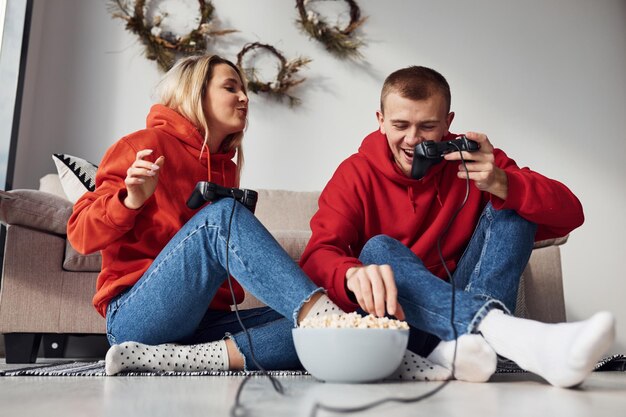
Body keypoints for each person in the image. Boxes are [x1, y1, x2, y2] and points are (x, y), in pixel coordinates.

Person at [299, 65, 616, 387]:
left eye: (427, 127)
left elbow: (571, 215)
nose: (412, 139)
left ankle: (465, 347)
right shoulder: (354, 174)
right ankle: (505, 335)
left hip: (467, 303)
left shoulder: (472, 162)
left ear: (448, 124)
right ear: (380, 121)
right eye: (400, 125)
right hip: (399, 317)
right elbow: (317, 255)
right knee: (377, 248)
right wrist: (352, 272)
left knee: (514, 203)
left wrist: (503, 183)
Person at [67, 55, 343, 376]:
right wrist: (129, 200)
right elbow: (80, 236)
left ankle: (186, 358)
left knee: (317, 330)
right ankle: (326, 316)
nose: (244, 98)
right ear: (196, 93)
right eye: (230, 87)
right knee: (223, 216)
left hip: (204, 324)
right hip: (137, 317)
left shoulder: (226, 166)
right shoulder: (143, 145)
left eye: (244, 89)